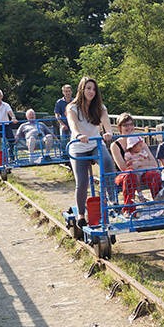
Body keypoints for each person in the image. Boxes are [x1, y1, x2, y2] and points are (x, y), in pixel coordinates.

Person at [67, 77, 117, 225]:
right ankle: (81, 215)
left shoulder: (99, 107)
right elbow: (73, 124)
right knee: (82, 182)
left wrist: (108, 133)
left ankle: (113, 201)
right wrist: (78, 135)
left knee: (108, 163)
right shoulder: (73, 108)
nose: (91, 92)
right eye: (88, 88)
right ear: (82, 89)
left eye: (94, 89)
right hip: (78, 146)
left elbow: (106, 122)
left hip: (95, 143)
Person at [110, 113, 161, 213]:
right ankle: (129, 209)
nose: (129, 127)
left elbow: (154, 164)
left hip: (141, 172)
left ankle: (159, 204)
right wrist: (143, 163)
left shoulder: (140, 141)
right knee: (130, 174)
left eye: (130, 124)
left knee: (154, 174)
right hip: (124, 175)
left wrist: (138, 165)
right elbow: (123, 167)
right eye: (125, 125)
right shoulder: (115, 145)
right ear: (120, 128)